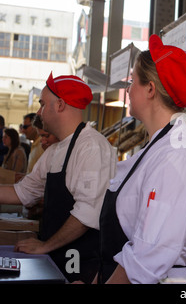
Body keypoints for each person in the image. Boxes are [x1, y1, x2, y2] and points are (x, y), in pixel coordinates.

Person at [91, 35, 186, 284]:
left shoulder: (175, 157)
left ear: (150, 89)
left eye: (132, 81)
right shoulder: (158, 147)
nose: (127, 90)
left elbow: (146, 258)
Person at [0, 73, 117, 283]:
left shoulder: (92, 147)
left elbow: (86, 215)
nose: (39, 111)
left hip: (82, 266)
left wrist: (45, 246)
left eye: (43, 104)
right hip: (57, 258)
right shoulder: (56, 151)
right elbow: (24, 191)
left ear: (61, 105)